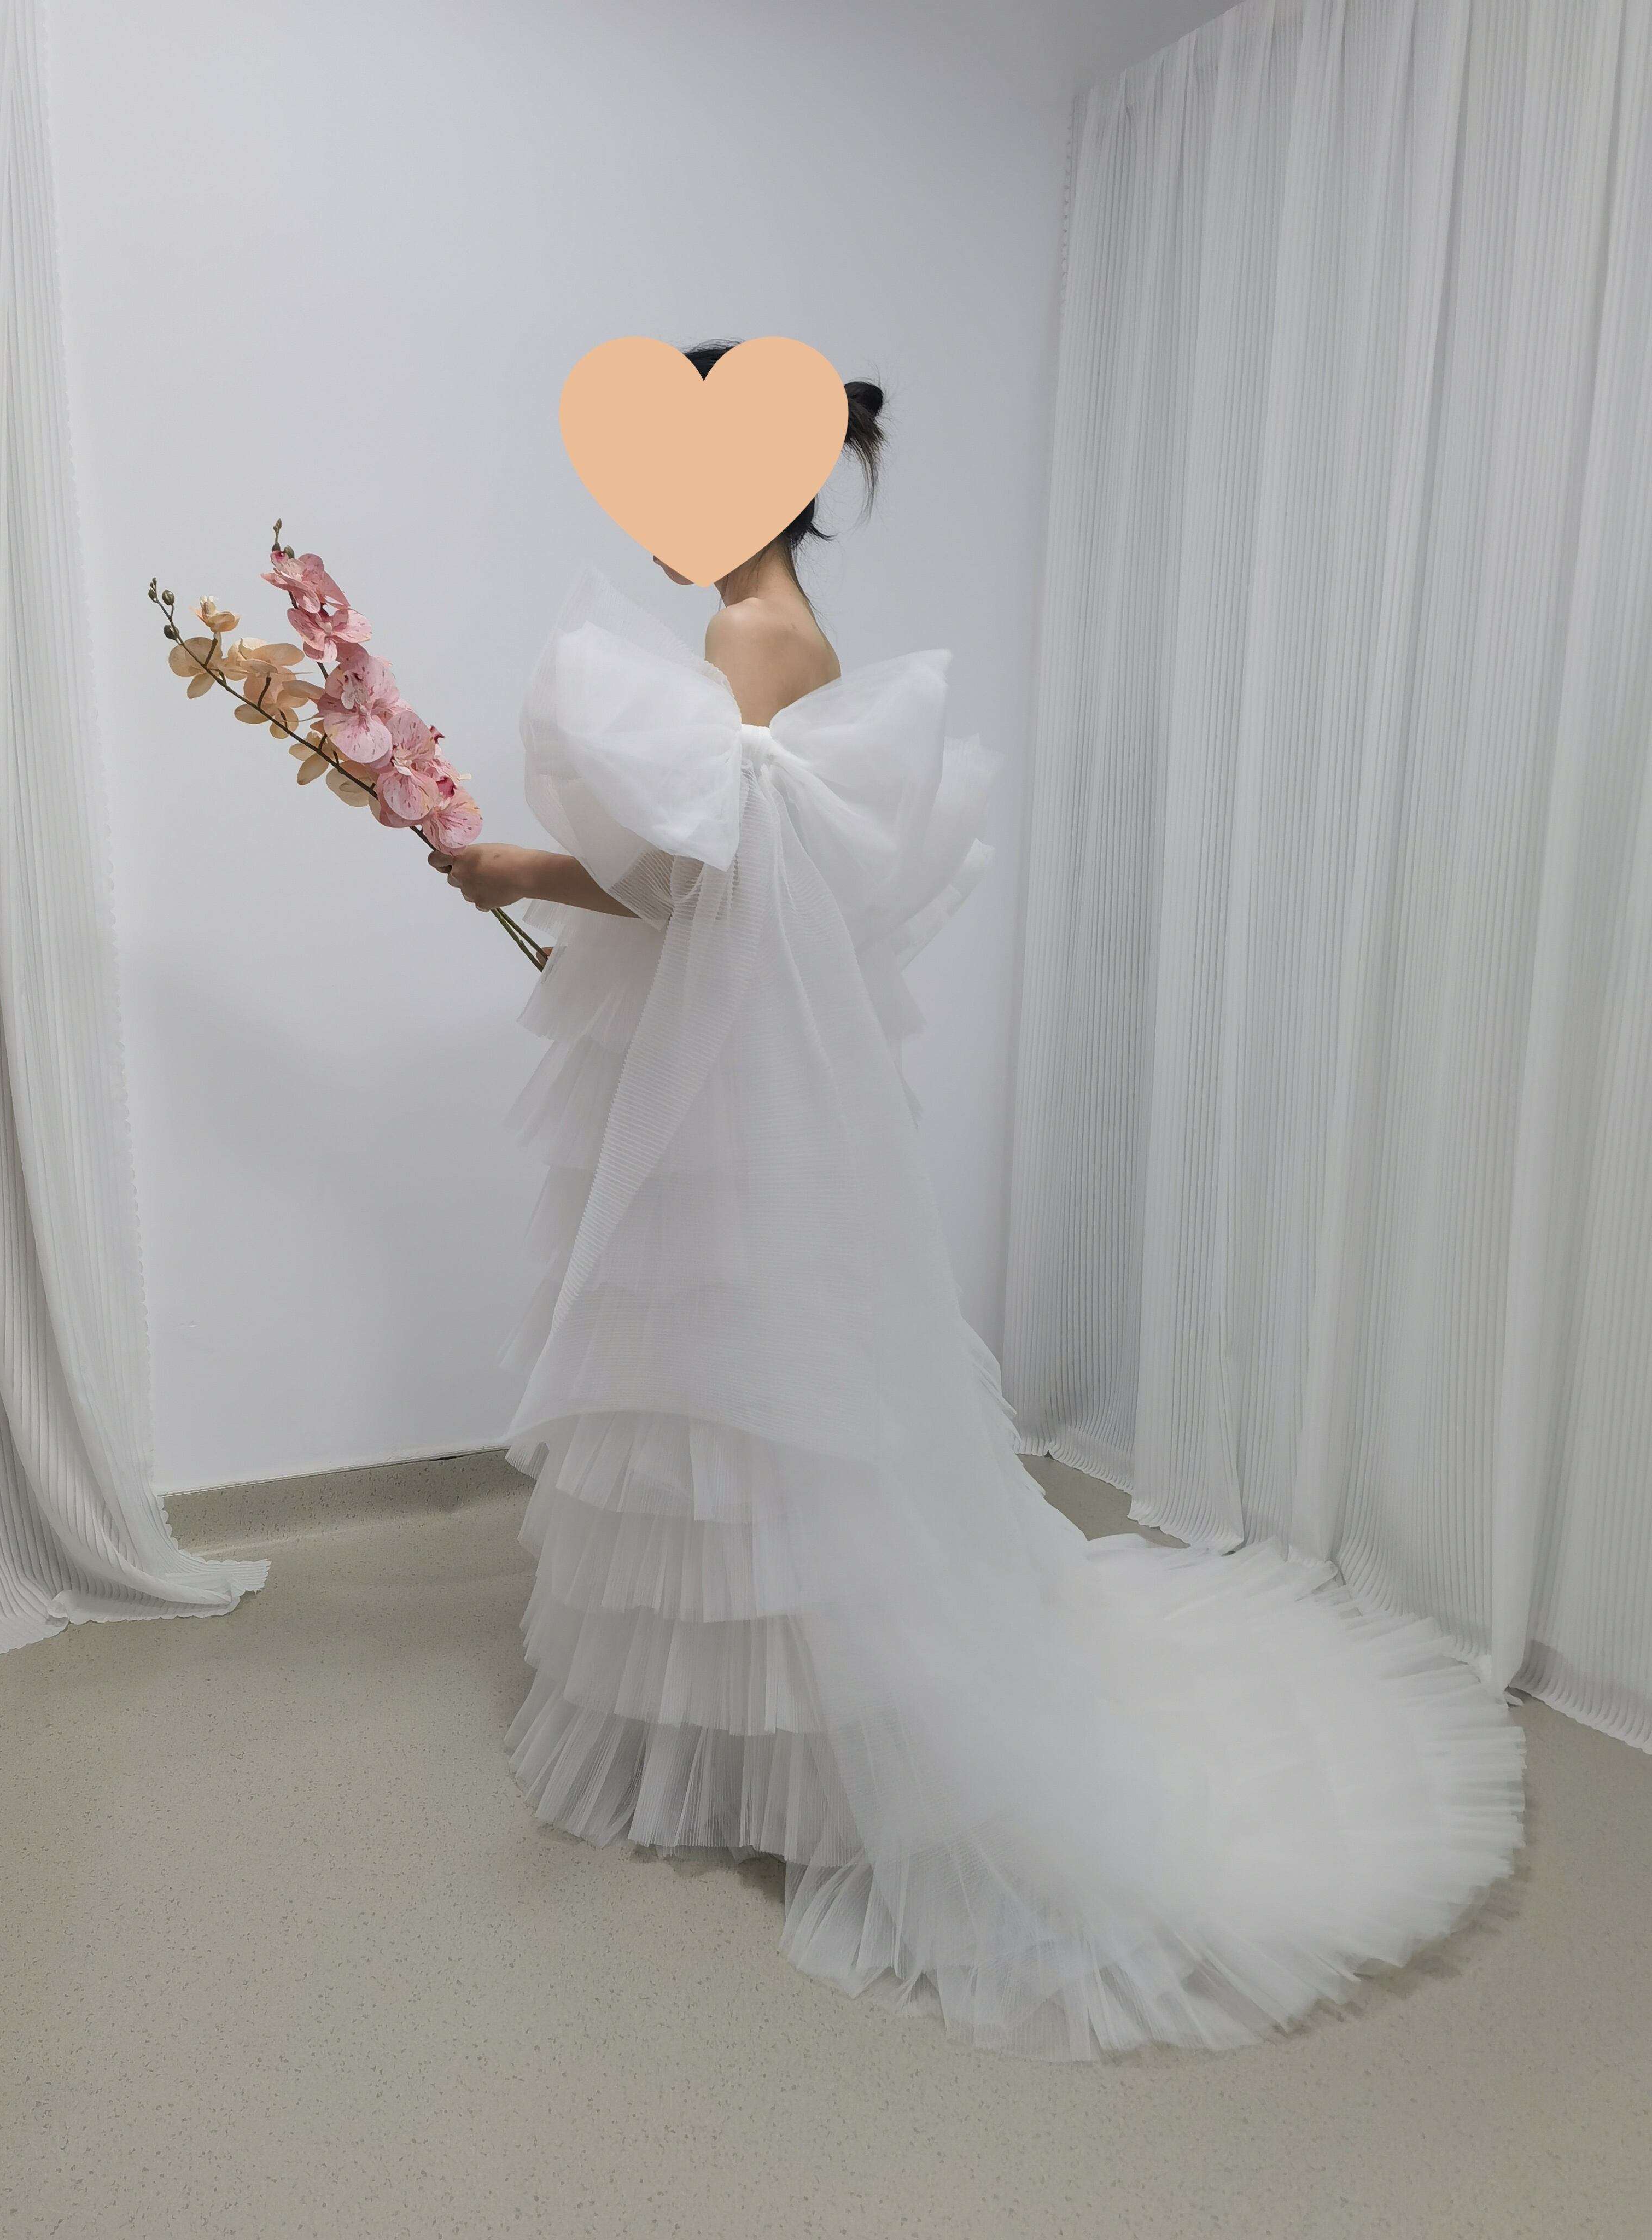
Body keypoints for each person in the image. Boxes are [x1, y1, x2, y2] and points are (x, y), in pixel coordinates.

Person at [423, 340, 1525, 2061]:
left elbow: (693, 880)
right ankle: (750, 1729)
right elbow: (732, 880)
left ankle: (788, 1741)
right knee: (757, 1379)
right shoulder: (787, 635)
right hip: (750, 1083)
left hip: (730, 1092)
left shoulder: (746, 639)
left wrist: (512, 863)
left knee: (731, 1378)